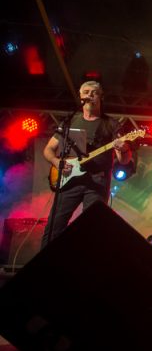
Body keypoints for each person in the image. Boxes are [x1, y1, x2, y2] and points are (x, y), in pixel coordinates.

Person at [41, 80, 132, 246]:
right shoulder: (70, 121)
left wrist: (124, 148)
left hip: (97, 182)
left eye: (94, 93)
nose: (90, 95)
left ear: (101, 97)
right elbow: (48, 149)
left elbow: (123, 160)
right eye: (86, 92)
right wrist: (56, 161)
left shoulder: (111, 124)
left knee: (91, 228)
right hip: (69, 180)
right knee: (54, 228)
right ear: (80, 96)